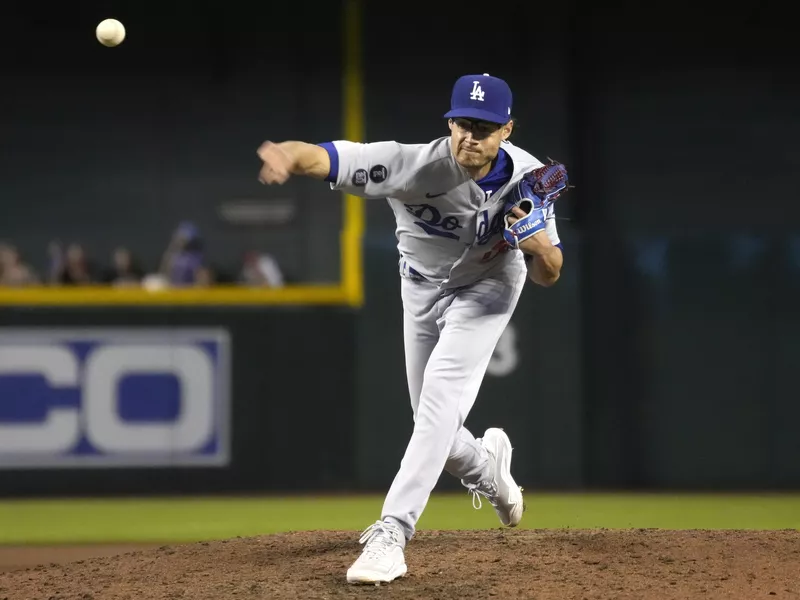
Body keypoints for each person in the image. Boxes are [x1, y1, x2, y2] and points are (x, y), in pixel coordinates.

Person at [256, 73, 566, 584]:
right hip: (420, 287)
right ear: (449, 122)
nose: (471, 135)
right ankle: (490, 471)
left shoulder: (530, 179)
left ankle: (392, 533)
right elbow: (331, 156)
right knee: (435, 426)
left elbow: (550, 273)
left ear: (506, 130)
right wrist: (290, 155)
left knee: (440, 400)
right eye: (463, 123)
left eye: (484, 127)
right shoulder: (411, 165)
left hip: (489, 287)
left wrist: (537, 245)